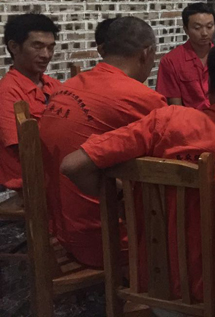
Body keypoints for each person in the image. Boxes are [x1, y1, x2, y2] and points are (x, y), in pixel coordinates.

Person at [61, 36, 215, 316]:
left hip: (156, 290)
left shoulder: (165, 122)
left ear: (209, 83)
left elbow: (72, 165)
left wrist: (124, 199)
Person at [40, 17, 167, 268]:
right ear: (147, 53)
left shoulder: (66, 87)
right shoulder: (143, 99)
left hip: (61, 229)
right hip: (107, 241)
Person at [0, 13, 61, 189]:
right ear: (14, 47)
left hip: (58, 169)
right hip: (32, 180)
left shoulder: (53, 85)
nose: (46, 55)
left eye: (50, 48)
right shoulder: (7, 91)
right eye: (37, 46)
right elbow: (24, 148)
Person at [156, 2, 215, 109]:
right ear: (186, 29)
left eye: (209, 26)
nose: (205, 33)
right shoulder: (171, 61)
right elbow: (174, 107)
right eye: (197, 28)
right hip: (189, 117)